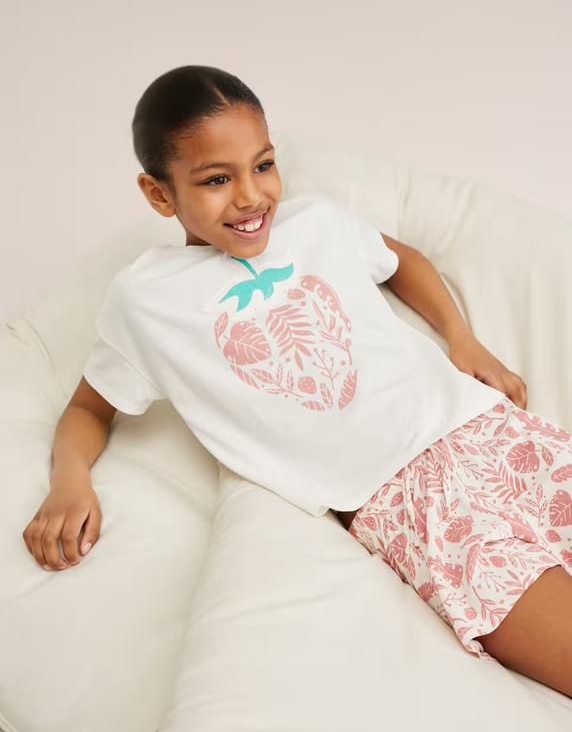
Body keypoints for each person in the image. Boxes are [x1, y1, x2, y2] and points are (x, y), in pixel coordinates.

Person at [22, 65, 572, 698]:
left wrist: (461, 338)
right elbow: (89, 409)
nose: (251, 196)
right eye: (216, 179)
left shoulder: (315, 224)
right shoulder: (146, 301)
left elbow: (401, 260)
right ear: (159, 194)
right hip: (402, 504)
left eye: (263, 165)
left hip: (488, 432)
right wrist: (69, 481)